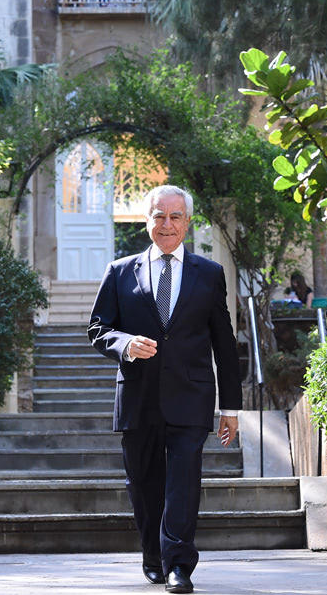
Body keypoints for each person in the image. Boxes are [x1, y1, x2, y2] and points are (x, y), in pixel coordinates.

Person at [88, 185, 241, 594]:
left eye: (175, 217)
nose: (167, 224)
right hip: (138, 395)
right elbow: (98, 329)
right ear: (147, 221)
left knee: (184, 481)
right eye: (159, 216)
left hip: (191, 397)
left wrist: (231, 407)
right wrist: (125, 345)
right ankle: (152, 554)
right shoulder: (120, 271)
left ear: (187, 223)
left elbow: (224, 343)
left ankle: (179, 565)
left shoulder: (209, 274)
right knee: (143, 482)